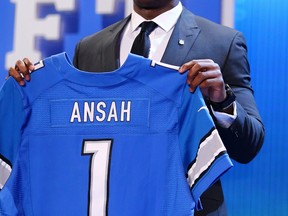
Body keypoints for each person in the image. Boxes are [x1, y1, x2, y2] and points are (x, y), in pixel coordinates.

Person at [7, 0, 265, 215]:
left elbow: (249, 146)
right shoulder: (90, 48)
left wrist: (222, 100)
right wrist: (27, 82)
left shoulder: (223, 42)